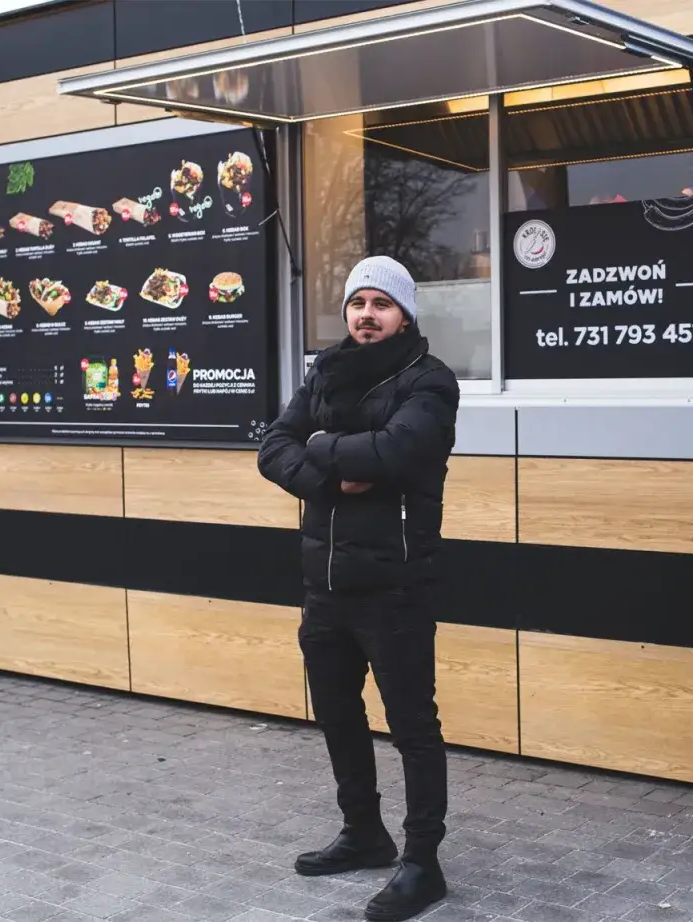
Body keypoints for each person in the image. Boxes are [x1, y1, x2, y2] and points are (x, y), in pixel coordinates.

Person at [257, 255, 459, 922]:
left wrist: (319, 444)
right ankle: (364, 833)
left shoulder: (429, 382)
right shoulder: (324, 375)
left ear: (403, 314)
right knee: (337, 714)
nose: (366, 314)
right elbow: (272, 448)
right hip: (326, 586)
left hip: (396, 587)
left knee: (413, 729)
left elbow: (395, 454)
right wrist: (327, 466)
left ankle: (423, 862)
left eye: (381, 303)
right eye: (357, 303)